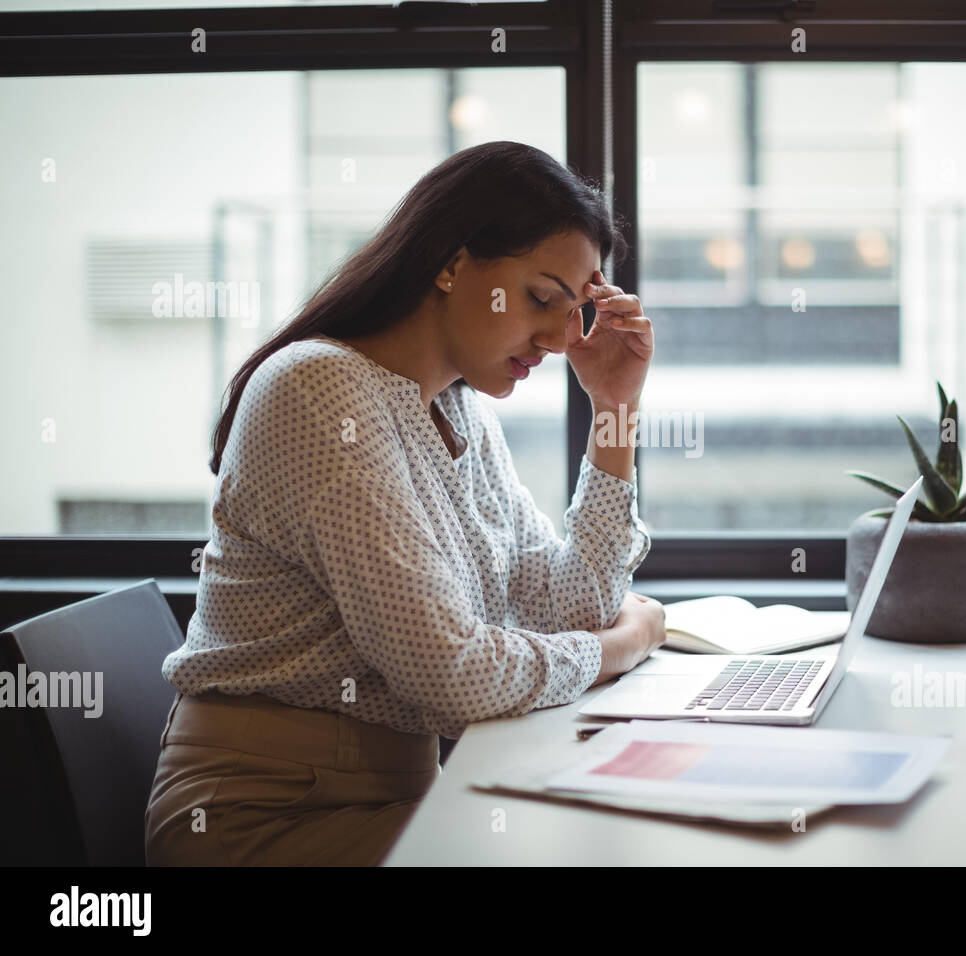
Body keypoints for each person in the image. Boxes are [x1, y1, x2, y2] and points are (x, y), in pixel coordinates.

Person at [144, 141, 667, 866]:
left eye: (575, 311)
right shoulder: (317, 390)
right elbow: (454, 678)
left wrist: (615, 407)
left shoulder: (455, 409)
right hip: (265, 818)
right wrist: (620, 647)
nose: (556, 337)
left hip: (399, 795)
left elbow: (568, 600)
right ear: (451, 264)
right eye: (541, 299)